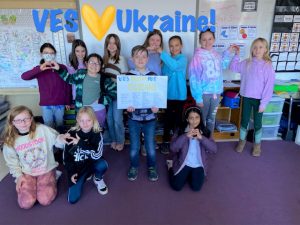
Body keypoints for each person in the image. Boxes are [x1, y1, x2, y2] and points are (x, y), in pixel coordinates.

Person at [2, 105, 59, 209]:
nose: (23, 123)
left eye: (26, 119)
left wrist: (63, 139)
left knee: (45, 200)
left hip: (46, 169)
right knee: (25, 203)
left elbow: (57, 140)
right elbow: (12, 163)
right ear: (12, 123)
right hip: (27, 172)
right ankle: (33, 184)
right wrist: (19, 176)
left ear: (31, 119)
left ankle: (54, 176)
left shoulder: (42, 129)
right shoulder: (10, 141)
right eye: (18, 120)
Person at [229, 37, 275, 156]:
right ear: (251, 49)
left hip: (259, 100)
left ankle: (257, 145)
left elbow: (269, 86)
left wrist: (264, 103)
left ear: (265, 49)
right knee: (244, 121)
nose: (257, 49)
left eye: (260, 47)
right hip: (247, 98)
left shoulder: (267, 66)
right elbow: (233, 67)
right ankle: (242, 142)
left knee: (257, 123)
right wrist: (236, 55)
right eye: (255, 47)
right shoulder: (246, 63)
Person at [57, 106, 108, 204]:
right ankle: (85, 175)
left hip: (91, 163)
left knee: (102, 164)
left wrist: (80, 143)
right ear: (77, 120)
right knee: (72, 200)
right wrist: (72, 172)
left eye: (88, 120)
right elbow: (66, 158)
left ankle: (97, 178)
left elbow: (97, 155)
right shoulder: (71, 133)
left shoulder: (97, 134)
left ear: (93, 120)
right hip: (78, 168)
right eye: (82, 120)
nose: (85, 124)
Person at [53, 53, 117, 127]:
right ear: (86, 63)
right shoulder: (80, 73)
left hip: (98, 109)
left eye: (97, 63)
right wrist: (59, 69)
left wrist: (102, 100)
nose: (94, 65)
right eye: (91, 62)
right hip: (82, 110)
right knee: (82, 131)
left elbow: (114, 91)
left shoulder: (104, 78)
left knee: (98, 131)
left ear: (101, 66)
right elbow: (69, 79)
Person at [189, 29, 233, 133]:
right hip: (203, 94)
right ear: (200, 41)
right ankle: (200, 141)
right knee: (201, 119)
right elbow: (194, 78)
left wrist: (227, 53)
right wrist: (198, 97)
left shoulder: (216, 55)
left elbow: (223, 65)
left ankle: (209, 141)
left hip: (216, 93)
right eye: (204, 39)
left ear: (214, 40)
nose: (207, 42)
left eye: (210, 39)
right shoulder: (197, 57)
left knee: (211, 118)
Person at [126, 45, 159, 182]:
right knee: (134, 146)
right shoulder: (127, 76)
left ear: (147, 59)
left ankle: (152, 167)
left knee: (150, 146)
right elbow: (125, 97)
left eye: (143, 56)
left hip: (150, 118)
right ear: (132, 59)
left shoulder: (153, 76)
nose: (140, 59)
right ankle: (134, 166)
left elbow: (158, 96)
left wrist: (157, 107)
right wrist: (127, 106)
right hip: (133, 118)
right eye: (137, 56)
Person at [21, 43, 72, 130]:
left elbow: (67, 85)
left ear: (55, 54)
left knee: (60, 125)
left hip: (60, 103)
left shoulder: (62, 67)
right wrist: (40, 68)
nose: (49, 55)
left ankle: (60, 142)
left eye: (51, 53)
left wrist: (68, 101)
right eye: (46, 53)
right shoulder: (38, 69)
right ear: (41, 54)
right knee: (48, 127)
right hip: (46, 104)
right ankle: (51, 143)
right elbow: (24, 76)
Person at [167, 106, 217, 191]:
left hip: (199, 165)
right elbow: (173, 148)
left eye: (197, 117)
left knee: (196, 188)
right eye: (191, 118)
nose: (194, 121)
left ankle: (189, 174)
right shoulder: (180, 130)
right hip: (183, 163)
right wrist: (185, 136)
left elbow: (214, 149)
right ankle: (170, 166)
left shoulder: (206, 131)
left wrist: (202, 138)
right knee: (176, 186)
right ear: (187, 119)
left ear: (200, 118)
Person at [157, 35, 188, 154]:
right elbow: (165, 73)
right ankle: (165, 142)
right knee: (167, 120)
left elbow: (174, 66)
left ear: (181, 46)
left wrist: (162, 53)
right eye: (171, 46)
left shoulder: (183, 58)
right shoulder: (166, 59)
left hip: (180, 96)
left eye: (176, 45)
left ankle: (178, 143)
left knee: (179, 121)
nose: (174, 48)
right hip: (169, 95)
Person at [103, 34, 128, 151]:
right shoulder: (104, 59)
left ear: (118, 45)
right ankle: (113, 139)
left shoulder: (122, 59)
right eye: (110, 43)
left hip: (119, 94)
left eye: (114, 43)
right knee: (109, 118)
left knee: (118, 119)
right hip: (108, 95)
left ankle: (120, 140)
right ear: (106, 45)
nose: (112, 45)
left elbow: (125, 79)